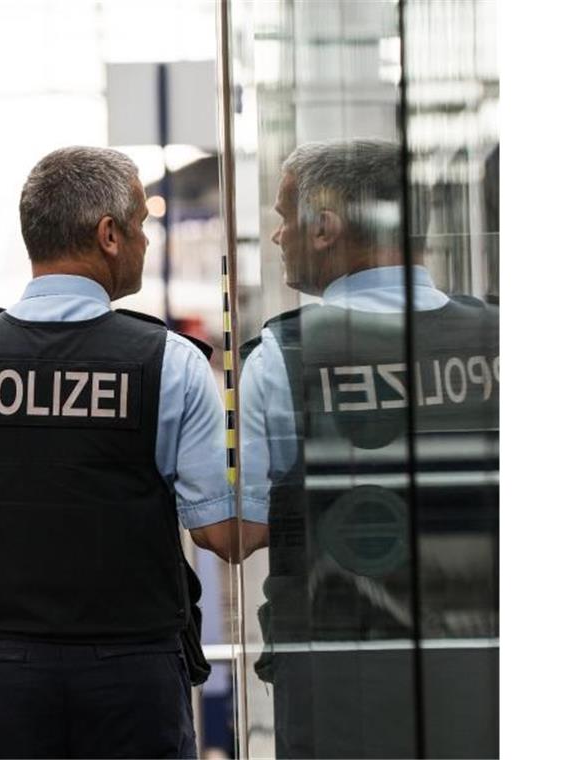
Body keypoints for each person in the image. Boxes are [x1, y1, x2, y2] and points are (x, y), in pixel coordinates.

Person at [0, 146, 254, 759]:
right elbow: (225, 535)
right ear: (108, 235)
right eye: (140, 227)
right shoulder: (170, 365)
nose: (146, 242)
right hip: (132, 681)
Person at [239, 138, 499, 757]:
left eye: (283, 217)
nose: (278, 236)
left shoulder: (283, 358)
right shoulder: (502, 338)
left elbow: (240, 531)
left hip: (339, 678)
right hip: (490, 668)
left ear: (324, 226)